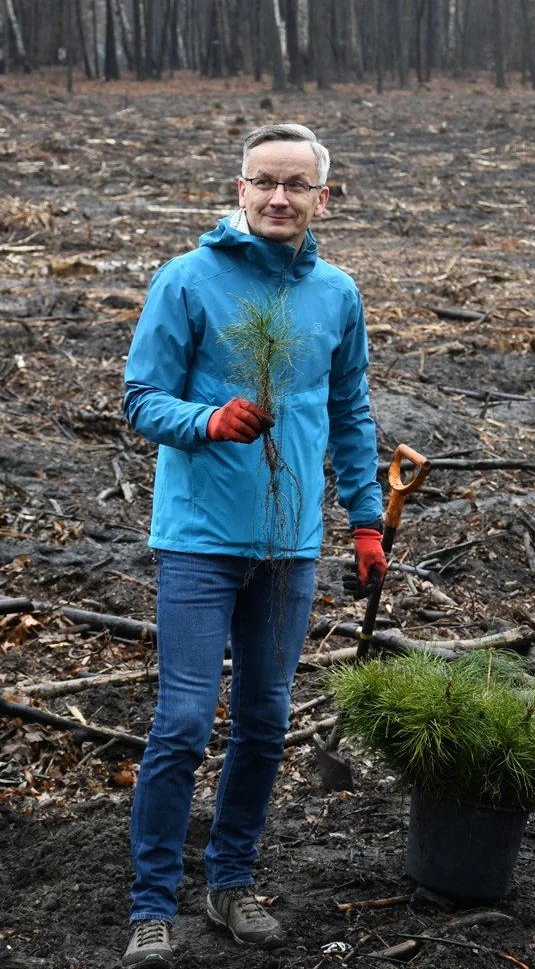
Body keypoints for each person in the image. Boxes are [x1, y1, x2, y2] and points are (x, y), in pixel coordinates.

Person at [121, 123, 387, 967]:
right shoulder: (186, 280)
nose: (279, 197)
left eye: (296, 185)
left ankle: (230, 883)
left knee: (267, 721)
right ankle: (151, 904)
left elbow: (349, 413)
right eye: (263, 182)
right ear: (238, 189)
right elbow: (138, 400)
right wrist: (207, 421)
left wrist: (368, 518)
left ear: (321, 198)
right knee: (184, 721)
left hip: (290, 545)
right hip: (199, 538)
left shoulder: (337, 293)